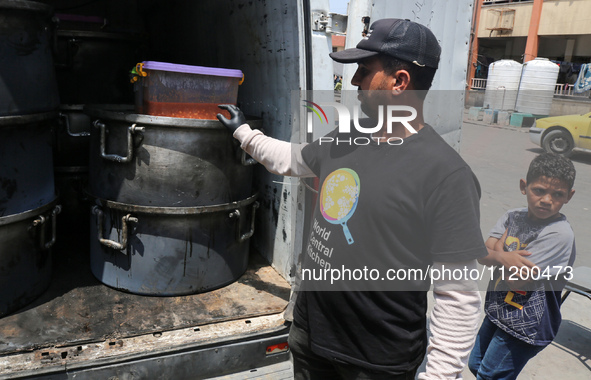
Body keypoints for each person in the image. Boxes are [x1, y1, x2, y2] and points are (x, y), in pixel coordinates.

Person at [218, 18, 487, 379]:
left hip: (373, 361)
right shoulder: (348, 136)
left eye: (364, 70)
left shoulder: (446, 176)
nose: (355, 81)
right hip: (311, 337)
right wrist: (244, 133)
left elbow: (458, 295)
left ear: (399, 82)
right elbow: (294, 159)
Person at [468, 153, 576, 380]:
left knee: (490, 376)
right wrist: (504, 258)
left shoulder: (558, 234)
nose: (547, 200)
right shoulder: (512, 216)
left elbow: (515, 279)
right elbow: (481, 254)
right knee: (475, 363)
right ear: (524, 187)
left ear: (569, 196)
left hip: (527, 326)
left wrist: (498, 251)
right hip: (499, 310)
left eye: (557, 194)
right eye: (539, 190)